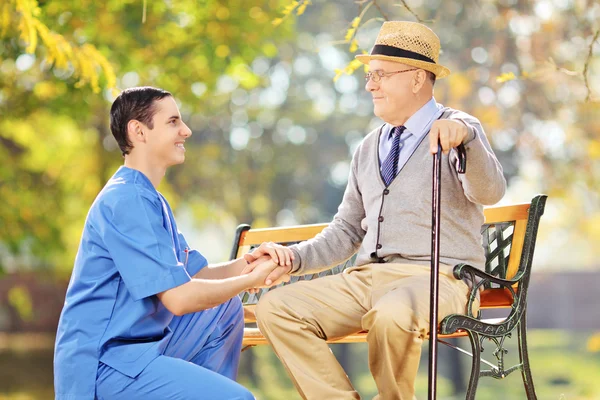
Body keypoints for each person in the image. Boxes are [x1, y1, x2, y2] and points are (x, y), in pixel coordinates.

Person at [243, 21, 507, 399]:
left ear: (417, 79)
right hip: (366, 279)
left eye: (380, 75)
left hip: (441, 278)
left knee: (392, 315)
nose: (370, 85)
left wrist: (467, 142)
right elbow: (347, 230)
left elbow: (491, 191)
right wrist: (294, 258)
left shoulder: (458, 129)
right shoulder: (369, 147)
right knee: (276, 308)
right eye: (370, 75)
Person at [53, 86, 290, 400]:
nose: (186, 131)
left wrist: (249, 262)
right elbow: (179, 299)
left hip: (140, 351)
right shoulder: (126, 200)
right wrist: (250, 280)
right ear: (138, 131)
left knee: (223, 310)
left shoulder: (149, 198)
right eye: (173, 122)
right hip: (104, 365)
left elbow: (196, 275)